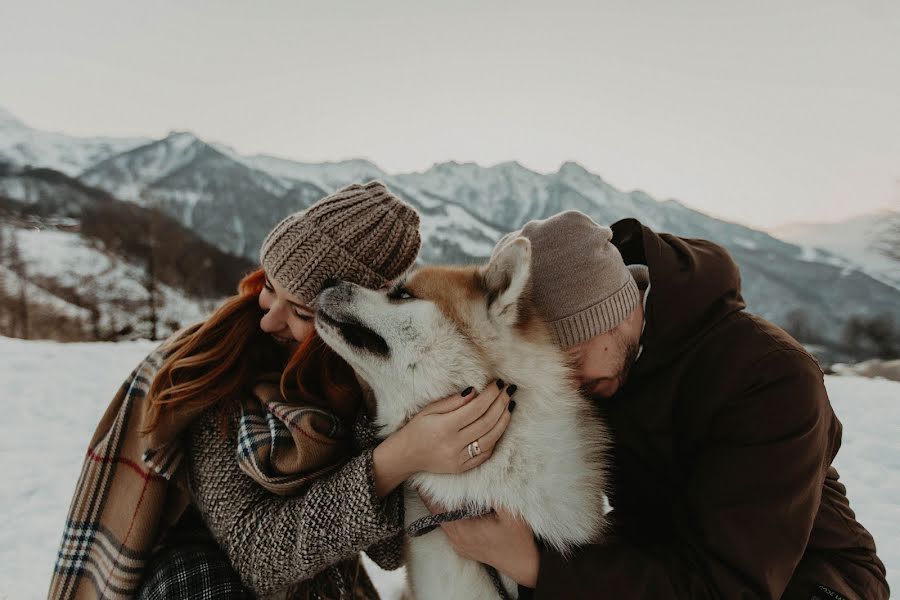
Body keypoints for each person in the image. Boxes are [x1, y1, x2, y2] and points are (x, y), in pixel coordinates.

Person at [49, 181, 515, 599]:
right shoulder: (213, 369)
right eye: (270, 286)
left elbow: (390, 551)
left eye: (300, 313)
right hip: (196, 579)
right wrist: (397, 459)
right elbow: (255, 553)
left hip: (319, 584)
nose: (268, 317)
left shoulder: (361, 384)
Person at [431, 211, 890, 600]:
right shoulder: (596, 374)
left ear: (610, 314)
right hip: (661, 561)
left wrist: (535, 566)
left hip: (806, 579)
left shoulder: (768, 376)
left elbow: (728, 586)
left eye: (570, 360)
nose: (567, 386)